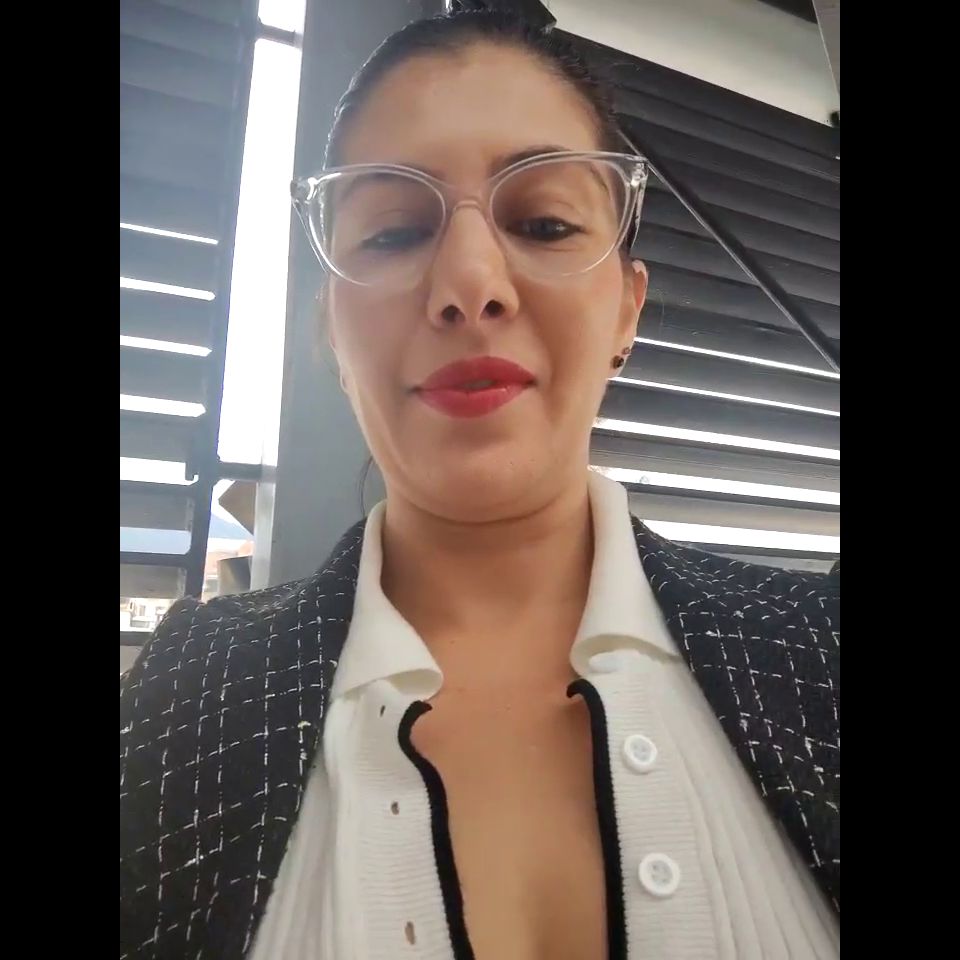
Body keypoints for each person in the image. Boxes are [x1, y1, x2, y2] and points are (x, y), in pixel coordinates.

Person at [120, 10, 840, 960]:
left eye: (544, 223)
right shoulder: (188, 689)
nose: (469, 282)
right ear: (332, 329)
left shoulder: (819, 648)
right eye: (393, 232)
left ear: (626, 309)